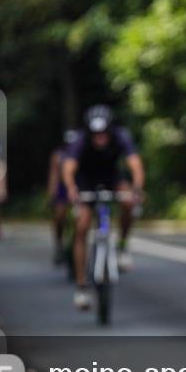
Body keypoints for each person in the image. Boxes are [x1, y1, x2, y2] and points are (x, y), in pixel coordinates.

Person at [61, 105, 144, 310]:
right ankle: (81, 286)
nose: (100, 138)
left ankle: (122, 245)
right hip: (86, 181)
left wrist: (137, 188)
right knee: (82, 227)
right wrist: (71, 189)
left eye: (103, 133)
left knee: (128, 201)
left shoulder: (120, 136)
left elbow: (135, 164)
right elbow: (69, 167)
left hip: (111, 178)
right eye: (95, 134)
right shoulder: (80, 140)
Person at [47, 129, 80, 265]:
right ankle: (59, 244)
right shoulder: (58, 155)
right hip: (62, 188)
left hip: (79, 186)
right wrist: (51, 194)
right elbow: (54, 175)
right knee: (59, 216)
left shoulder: (81, 152)